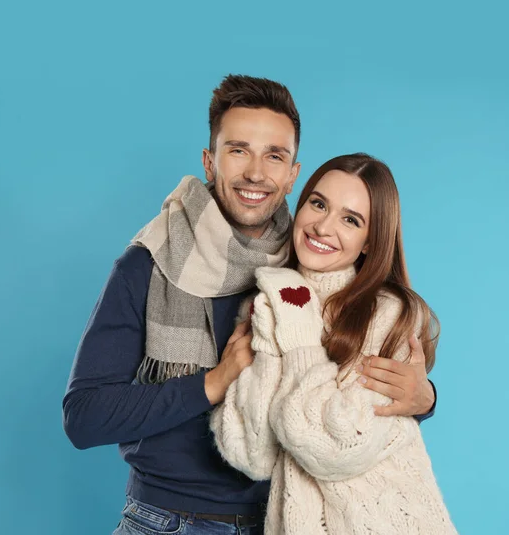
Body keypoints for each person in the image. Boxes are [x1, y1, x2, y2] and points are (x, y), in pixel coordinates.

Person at [62, 76, 437, 535]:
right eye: (238, 150)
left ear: (292, 174)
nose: (256, 173)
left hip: (286, 521)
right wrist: (213, 382)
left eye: (274, 156)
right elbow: (84, 419)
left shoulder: (313, 266)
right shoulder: (150, 263)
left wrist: (422, 399)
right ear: (209, 162)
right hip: (168, 521)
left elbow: (356, 386)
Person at [211, 153, 456, 534]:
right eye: (319, 204)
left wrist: (299, 338)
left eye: (350, 219)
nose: (323, 227)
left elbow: (333, 448)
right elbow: (252, 454)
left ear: (369, 243)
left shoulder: (388, 315)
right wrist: (285, 309)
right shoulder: (273, 299)